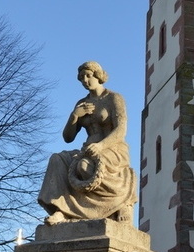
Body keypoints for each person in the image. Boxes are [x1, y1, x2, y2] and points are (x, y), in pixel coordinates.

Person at [38, 61, 136, 225]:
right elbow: (68, 137)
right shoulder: (81, 103)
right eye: (82, 77)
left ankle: (121, 202)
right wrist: (74, 116)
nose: (85, 80)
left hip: (112, 148)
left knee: (84, 166)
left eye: (88, 76)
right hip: (88, 149)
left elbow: (121, 130)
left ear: (97, 76)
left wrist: (101, 146)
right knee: (57, 160)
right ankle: (61, 210)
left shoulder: (114, 98)